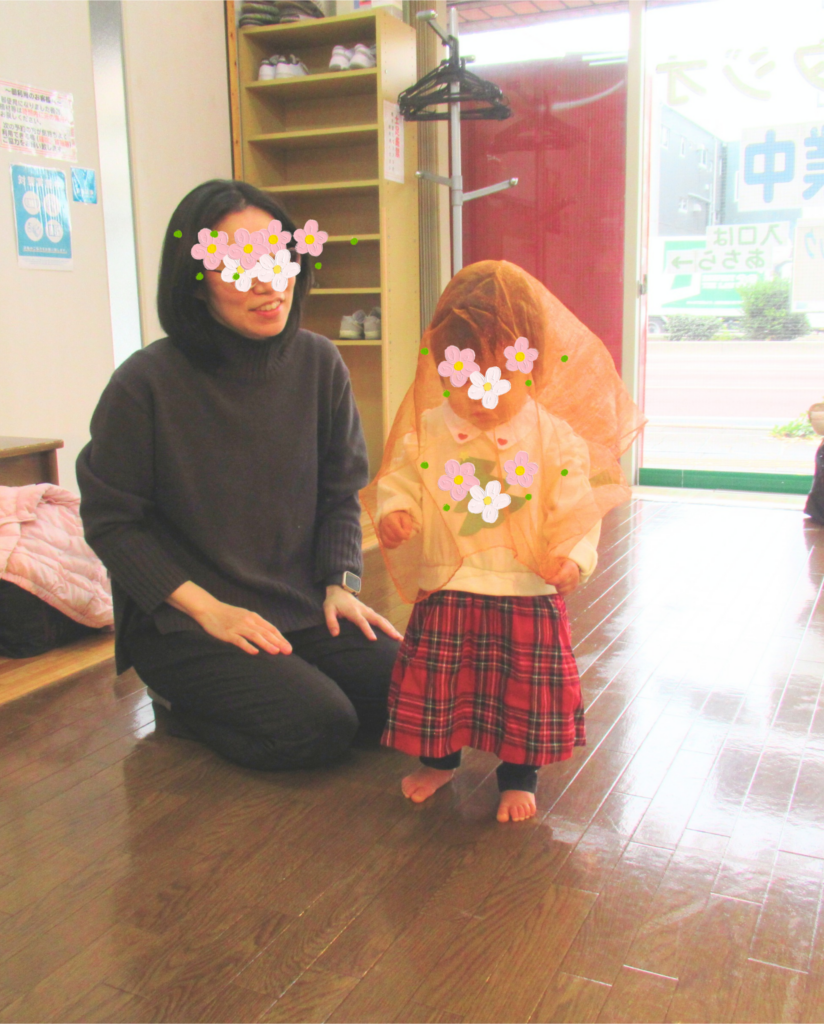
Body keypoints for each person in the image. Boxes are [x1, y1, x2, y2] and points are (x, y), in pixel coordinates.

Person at [77, 179, 401, 772]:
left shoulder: (319, 363)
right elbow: (111, 523)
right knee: (320, 727)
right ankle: (178, 705)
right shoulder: (145, 383)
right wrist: (208, 610)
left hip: (300, 604)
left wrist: (340, 585)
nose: (266, 281)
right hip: (187, 621)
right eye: (237, 264)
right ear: (195, 280)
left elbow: (339, 494)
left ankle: (294, 680)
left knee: (413, 695)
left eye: (277, 256)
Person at [362, 261, 644, 822]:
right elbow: (402, 480)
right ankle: (438, 762)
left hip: (527, 590)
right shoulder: (430, 430)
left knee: (525, 695)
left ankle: (519, 777)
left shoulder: (554, 438)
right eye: (464, 378)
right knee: (440, 685)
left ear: (532, 368)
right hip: (449, 584)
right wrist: (396, 512)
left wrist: (573, 557)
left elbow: (576, 506)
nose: (483, 395)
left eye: (501, 377)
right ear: (442, 369)